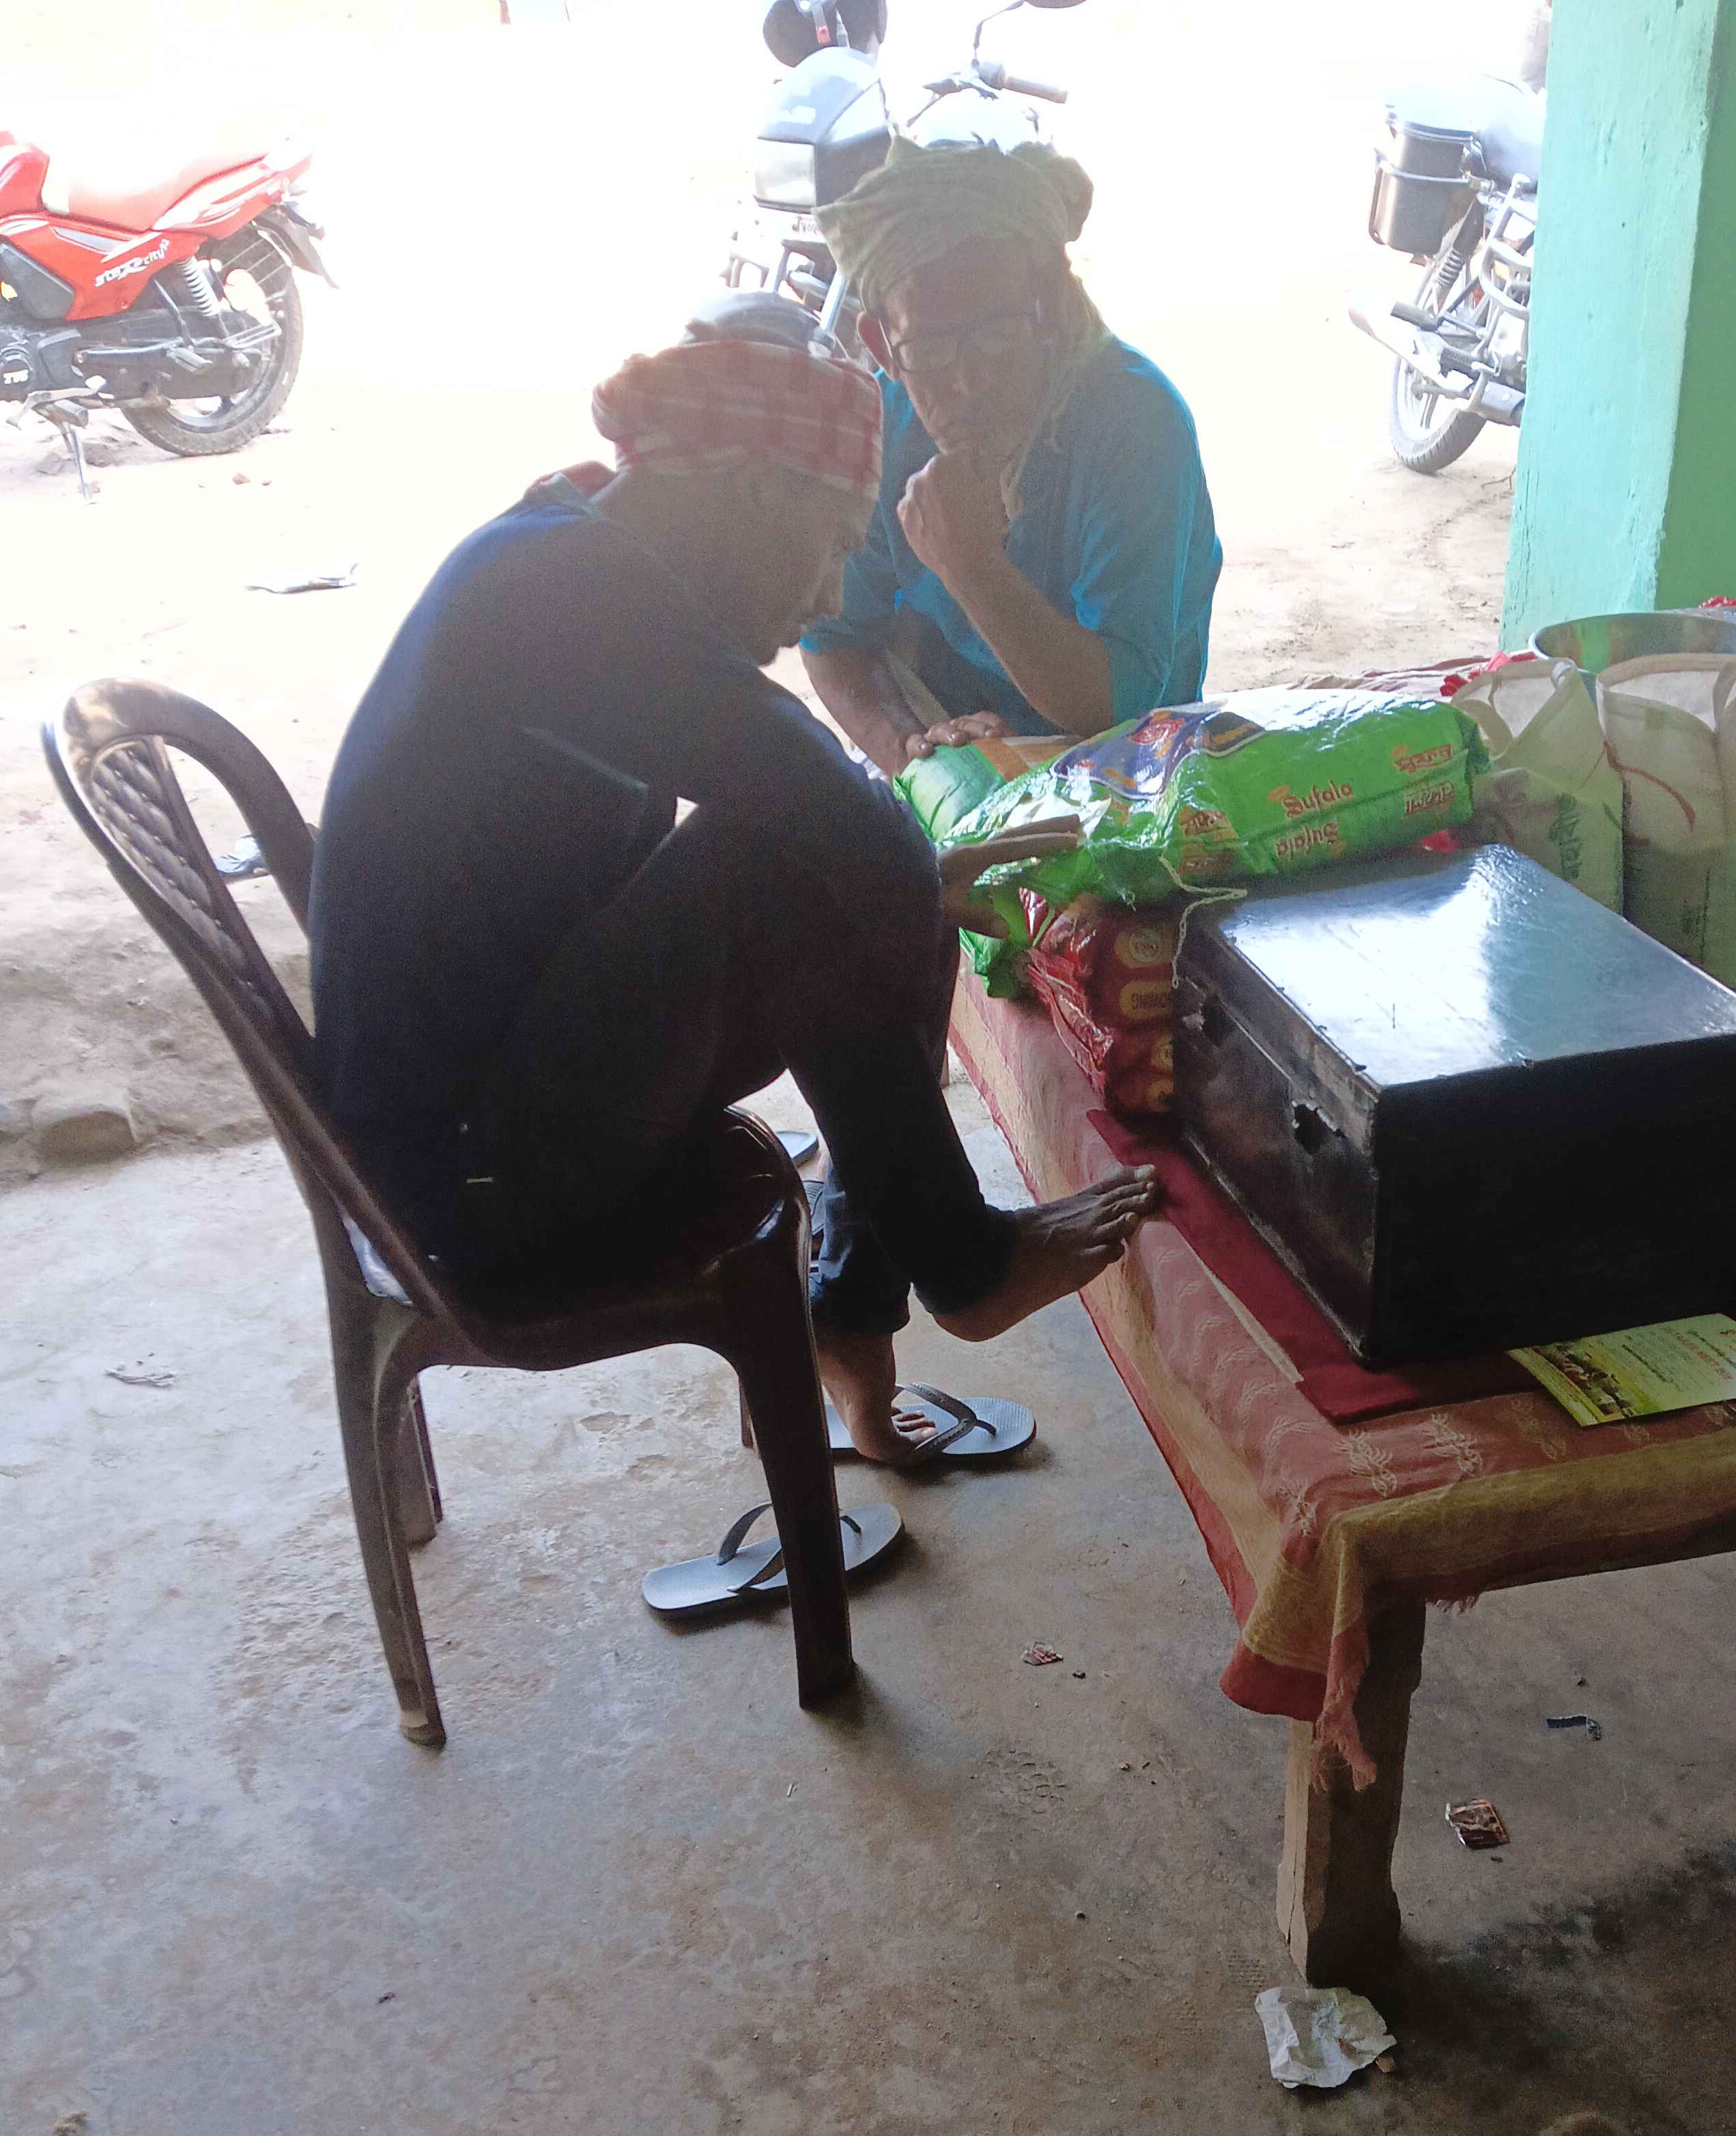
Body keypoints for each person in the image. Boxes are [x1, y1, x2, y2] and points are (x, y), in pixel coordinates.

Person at [306, 302, 1160, 1467]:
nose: (828, 598)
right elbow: (830, 811)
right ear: (755, 494)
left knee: (855, 875)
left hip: (484, 1115)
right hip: (468, 1190)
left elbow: (843, 834)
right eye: (832, 545)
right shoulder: (569, 591)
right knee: (811, 859)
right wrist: (909, 880)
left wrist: (908, 881)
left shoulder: (563, 541)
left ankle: (864, 1302)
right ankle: (951, 1263)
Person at [799, 137, 1221, 775]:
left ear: (1048, 306)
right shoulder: (885, 427)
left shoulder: (1135, 423)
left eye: (998, 333)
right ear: (880, 345)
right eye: (929, 350)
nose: (970, 383)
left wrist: (971, 565)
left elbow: (1116, 706)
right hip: (959, 748)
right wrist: (921, 754)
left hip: (1129, 763)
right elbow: (831, 639)